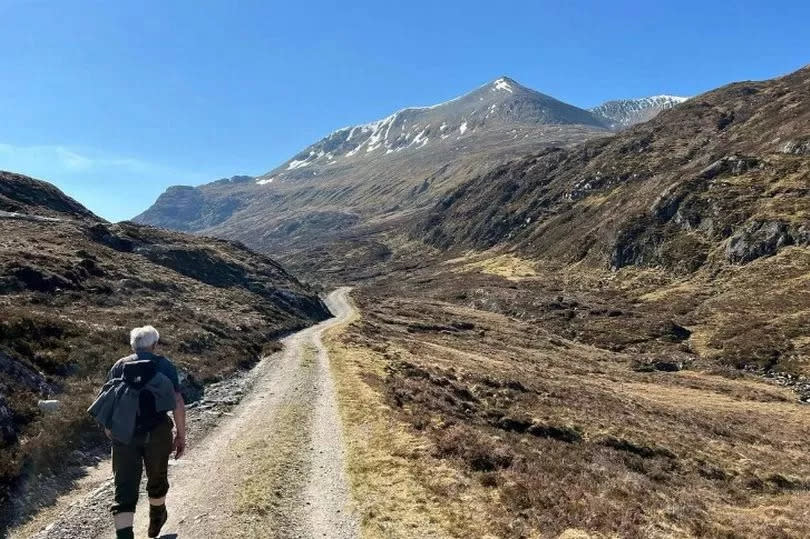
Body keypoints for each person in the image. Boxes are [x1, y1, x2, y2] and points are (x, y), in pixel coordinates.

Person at [98, 326, 186, 539]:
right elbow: (177, 402)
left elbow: (109, 400)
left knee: (124, 488)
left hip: (124, 434)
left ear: (132, 346)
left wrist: (110, 430)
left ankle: (125, 536)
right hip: (157, 432)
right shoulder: (164, 366)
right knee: (157, 478)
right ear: (154, 345)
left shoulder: (119, 366)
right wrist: (181, 435)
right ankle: (156, 520)